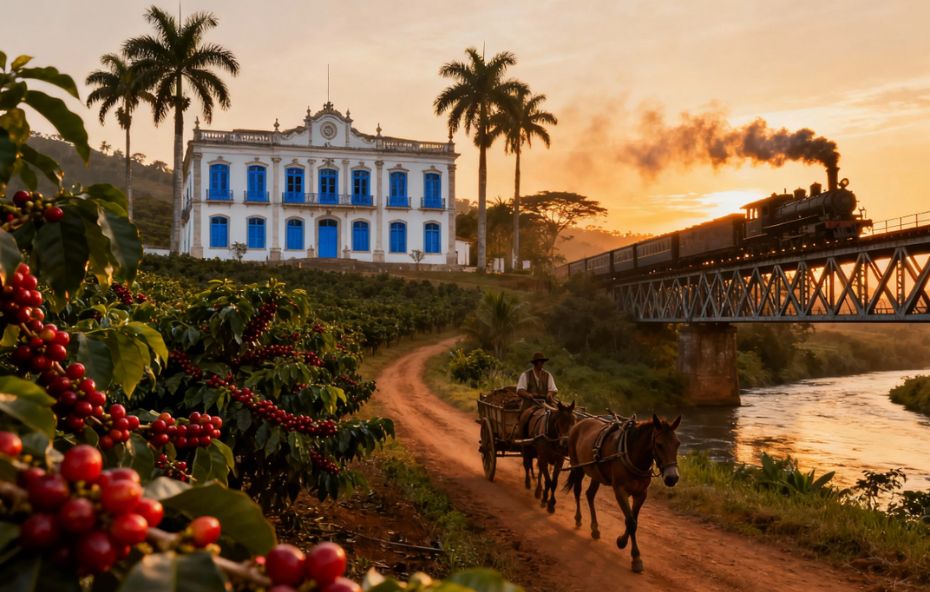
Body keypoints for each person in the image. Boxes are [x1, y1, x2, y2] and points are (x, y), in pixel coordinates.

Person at [516, 352, 558, 439]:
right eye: (539, 362)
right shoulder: (526, 375)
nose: (540, 364)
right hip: (529, 404)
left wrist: (550, 394)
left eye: (542, 362)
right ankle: (522, 436)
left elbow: (553, 389)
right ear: (535, 363)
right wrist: (528, 395)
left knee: (557, 415)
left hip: (546, 404)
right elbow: (520, 390)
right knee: (525, 418)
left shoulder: (548, 375)